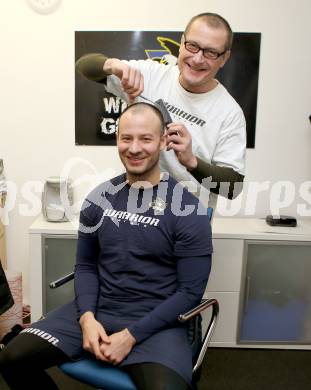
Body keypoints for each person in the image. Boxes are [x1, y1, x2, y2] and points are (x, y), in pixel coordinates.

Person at [0, 102, 212, 390]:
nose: (134, 148)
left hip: (157, 321)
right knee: (13, 357)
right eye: (126, 138)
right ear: (117, 140)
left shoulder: (188, 209)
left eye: (146, 138)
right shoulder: (99, 198)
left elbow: (190, 292)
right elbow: (86, 266)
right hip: (99, 308)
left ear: (163, 142)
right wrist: (87, 318)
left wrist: (131, 335)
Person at [76, 12, 246, 208]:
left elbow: (233, 188)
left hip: (187, 220)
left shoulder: (229, 113)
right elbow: (84, 65)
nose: (198, 58)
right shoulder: (150, 75)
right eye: (193, 46)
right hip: (136, 209)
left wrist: (191, 161)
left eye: (211, 52)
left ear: (224, 58)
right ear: (182, 43)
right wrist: (112, 65)